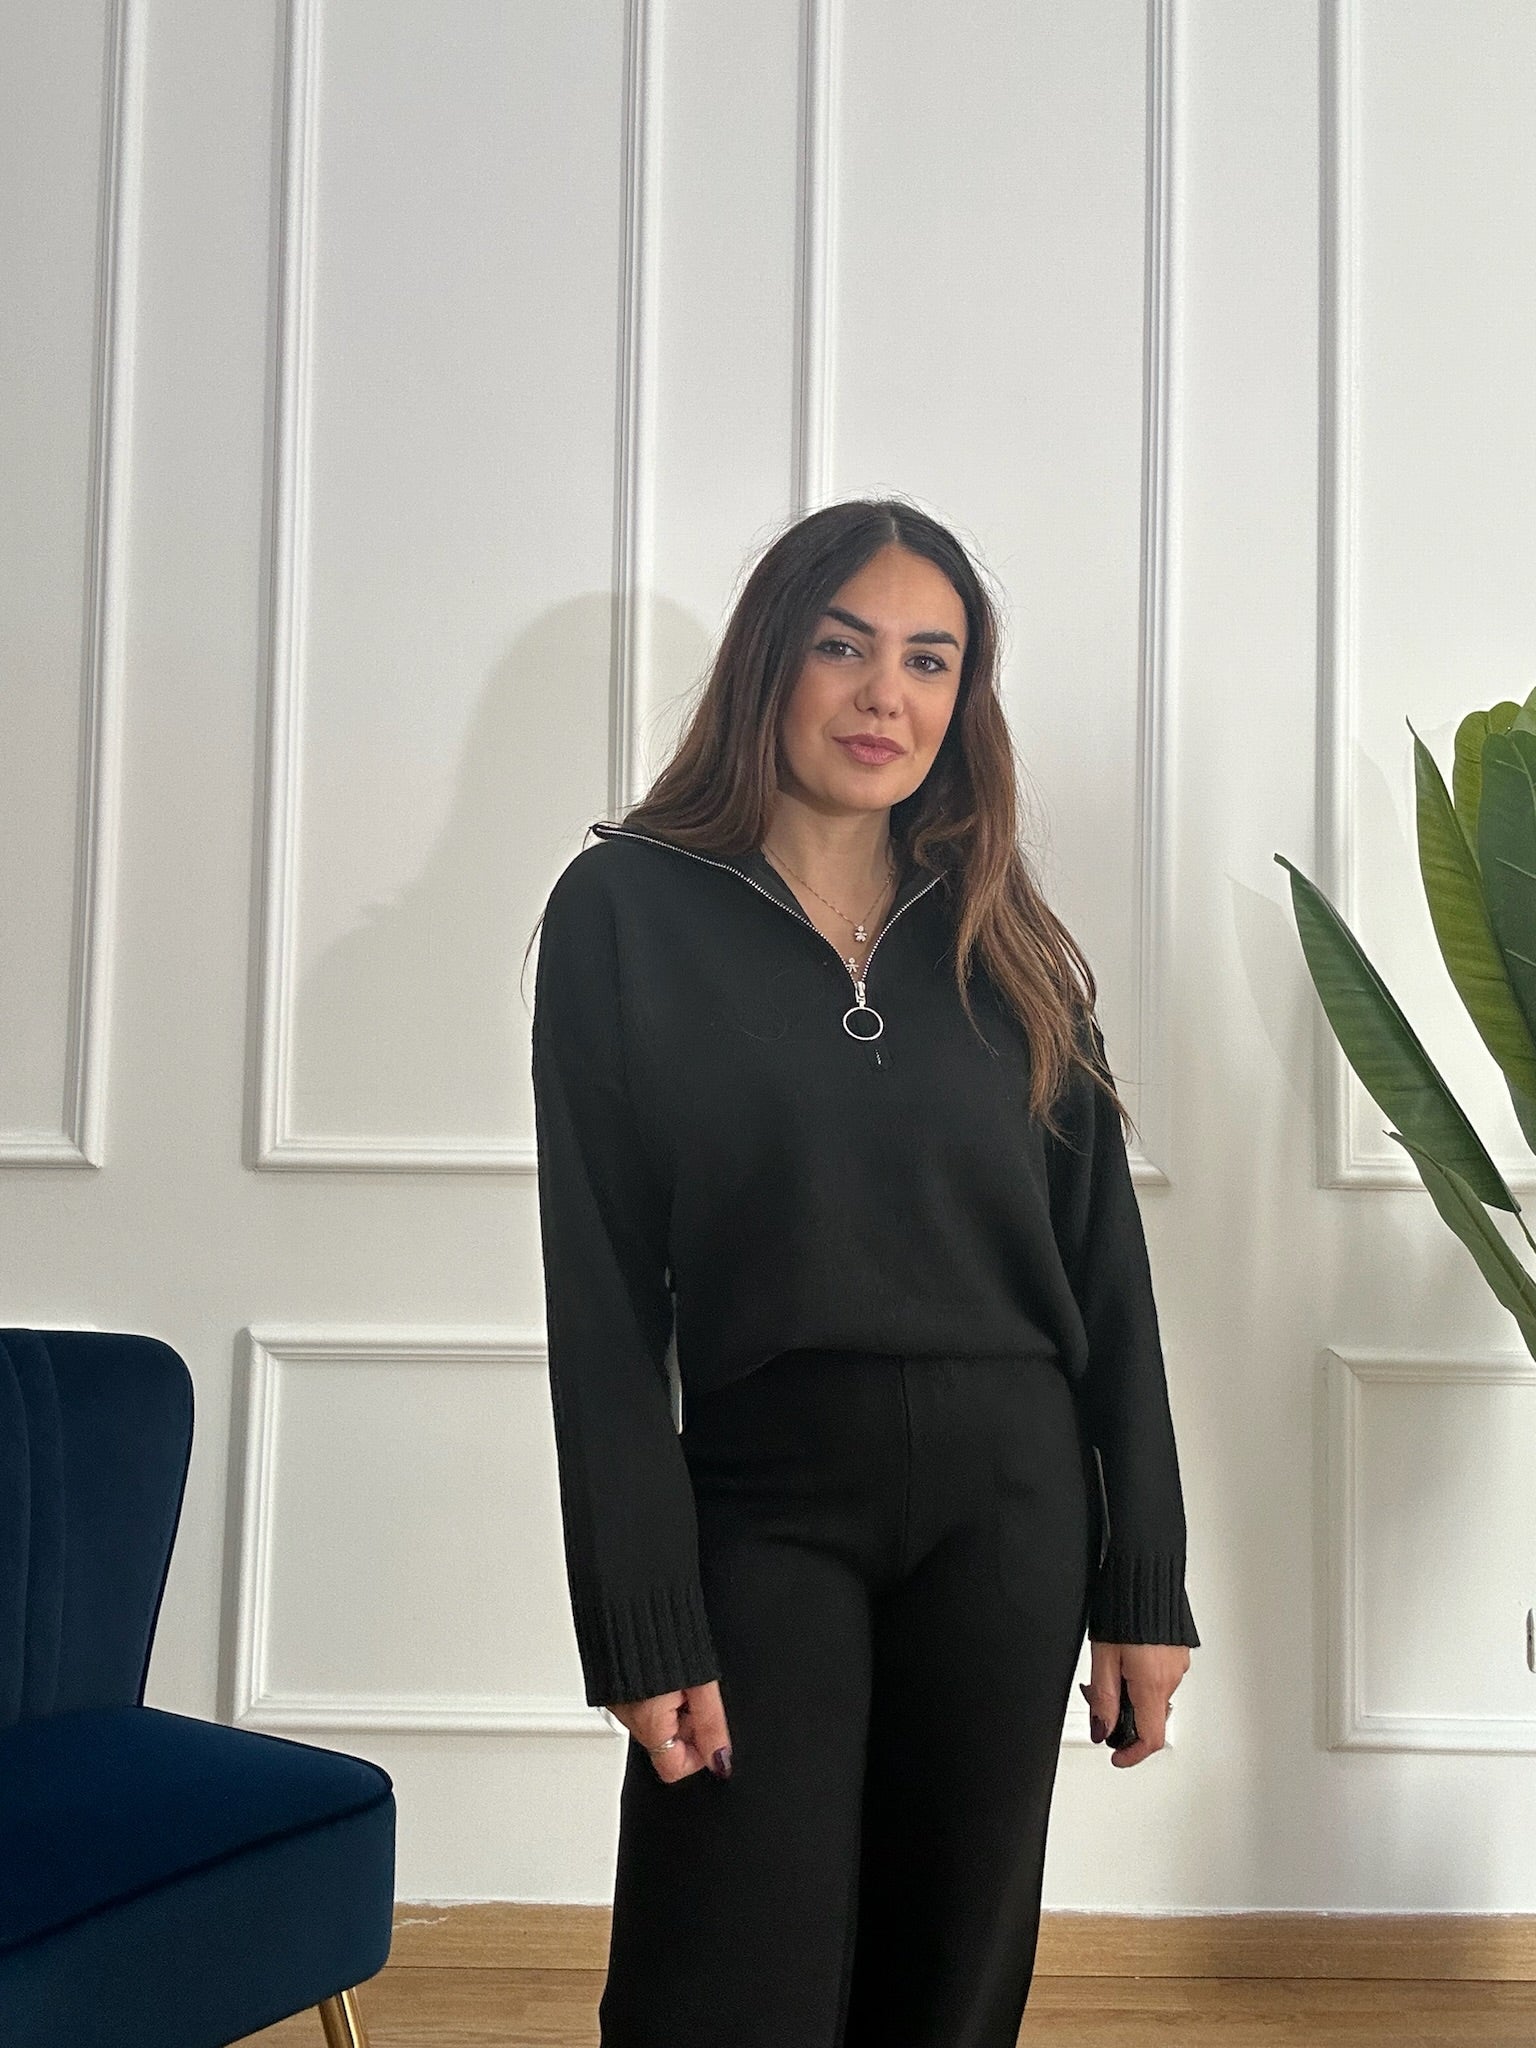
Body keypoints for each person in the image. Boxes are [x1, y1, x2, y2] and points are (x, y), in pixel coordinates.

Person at [525, 496, 1199, 2048]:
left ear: (965, 696)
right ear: (771, 659)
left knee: (947, 1986)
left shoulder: (1005, 932)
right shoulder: (624, 910)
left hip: (1011, 1510)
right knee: (724, 1981)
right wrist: (637, 1622)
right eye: (845, 647)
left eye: (929, 660)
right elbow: (602, 1301)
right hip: (764, 1506)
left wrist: (1143, 1583)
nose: (885, 694)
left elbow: (1107, 1277)